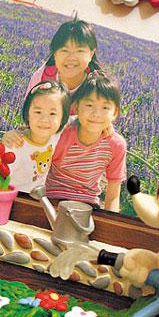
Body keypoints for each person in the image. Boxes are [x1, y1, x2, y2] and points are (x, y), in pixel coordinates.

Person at [46, 72, 126, 212]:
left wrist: (110, 220)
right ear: (76, 107)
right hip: (52, 197)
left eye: (105, 108)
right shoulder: (62, 132)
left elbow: (113, 193)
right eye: (89, 105)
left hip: (87, 204)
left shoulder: (116, 145)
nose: (96, 114)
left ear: (115, 113)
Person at [4, 81, 71, 193]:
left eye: (52, 114)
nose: (44, 120)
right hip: (11, 197)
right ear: (27, 114)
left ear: (62, 119)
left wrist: (102, 123)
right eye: (38, 112)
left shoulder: (55, 136)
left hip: (37, 197)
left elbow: (81, 119)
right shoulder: (16, 145)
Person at [27, 18, 104, 114]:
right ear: (55, 53)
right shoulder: (41, 77)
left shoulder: (99, 87)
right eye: (64, 50)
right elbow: (28, 114)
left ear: (91, 54)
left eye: (79, 51)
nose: (71, 57)